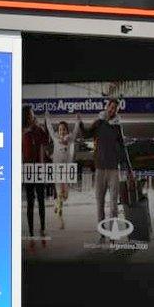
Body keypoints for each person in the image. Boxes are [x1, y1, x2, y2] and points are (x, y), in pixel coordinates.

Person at [78, 99, 128, 241]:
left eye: (115, 109)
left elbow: (123, 147)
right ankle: (102, 232)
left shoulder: (117, 127)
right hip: (100, 169)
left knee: (113, 205)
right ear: (107, 107)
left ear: (117, 111)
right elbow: (86, 134)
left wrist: (127, 168)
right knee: (99, 203)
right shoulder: (98, 123)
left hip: (113, 170)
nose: (112, 110)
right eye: (111, 107)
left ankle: (113, 232)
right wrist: (80, 124)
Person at [22, 105, 51, 238]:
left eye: (33, 114)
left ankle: (43, 227)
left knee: (40, 200)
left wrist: (44, 123)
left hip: (39, 168)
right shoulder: (21, 131)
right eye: (31, 114)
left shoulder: (38, 130)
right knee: (30, 202)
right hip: (27, 169)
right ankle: (31, 230)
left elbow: (47, 140)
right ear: (26, 116)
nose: (33, 116)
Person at [46, 113, 75, 229]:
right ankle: (61, 220)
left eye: (64, 129)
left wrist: (77, 122)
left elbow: (76, 131)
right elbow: (49, 128)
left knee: (65, 196)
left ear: (67, 131)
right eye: (60, 129)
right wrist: (47, 118)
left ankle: (57, 205)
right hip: (58, 172)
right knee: (60, 195)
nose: (62, 131)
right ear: (58, 131)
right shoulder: (55, 139)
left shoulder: (70, 141)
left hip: (66, 173)